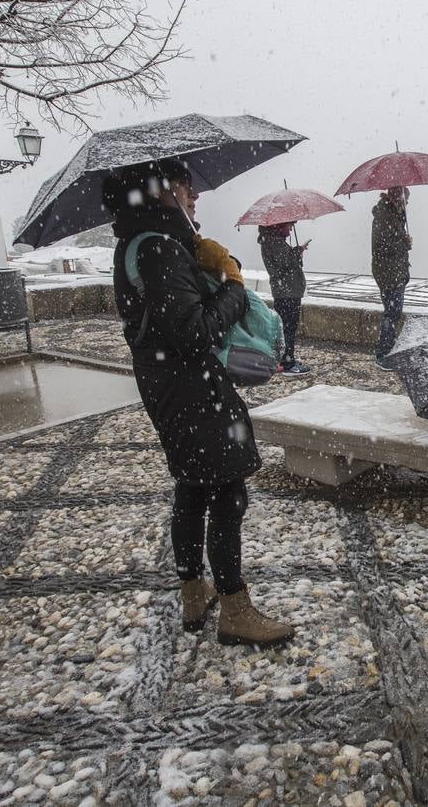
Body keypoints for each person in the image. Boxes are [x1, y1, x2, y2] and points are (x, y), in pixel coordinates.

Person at [108, 158, 295, 648]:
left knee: (191, 489)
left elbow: (168, 324)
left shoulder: (138, 243)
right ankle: (236, 610)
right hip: (194, 391)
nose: (195, 196)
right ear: (161, 190)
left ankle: (194, 591)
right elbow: (195, 333)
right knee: (227, 495)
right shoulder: (159, 250)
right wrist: (233, 283)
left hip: (168, 387)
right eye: (185, 186)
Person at [257, 221, 310, 375]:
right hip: (287, 291)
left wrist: (297, 251)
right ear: (278, 226)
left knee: (285, 326)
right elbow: (286, 262)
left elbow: (285, 261)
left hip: (285, 290)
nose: (291, 229)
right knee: (288, 327)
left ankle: (284, 359)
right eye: (289, 225)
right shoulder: (274, 242)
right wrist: (299, 250)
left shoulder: (272, 240)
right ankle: (288, 364)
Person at [371, 186, 411, 368]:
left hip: (392, 271)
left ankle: (389, 349)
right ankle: (384, 353)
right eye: (406, 200)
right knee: (392, 312)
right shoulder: (385, 215)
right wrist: (404, 243)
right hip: (389, 272)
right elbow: (383, 246)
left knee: (393, 312)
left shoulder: (391, 215)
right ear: (398, 198)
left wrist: (403, 241)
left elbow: (391, 242)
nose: (407, 203)